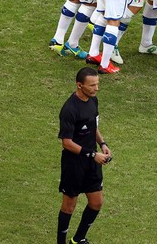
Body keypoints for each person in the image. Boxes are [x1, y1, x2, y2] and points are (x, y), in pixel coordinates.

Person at [56, 67, 112, 244]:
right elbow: (66, 142)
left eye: (97, 84)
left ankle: (78, 238)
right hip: (74, 164)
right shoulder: (69, 110)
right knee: (69, 205)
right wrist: (92, 154)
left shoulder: (93, 101)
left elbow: (93, 127)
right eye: (92, 85)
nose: (96, 88)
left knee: (96, 203)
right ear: (79, 85)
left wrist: (102, 144)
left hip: (92, 161)